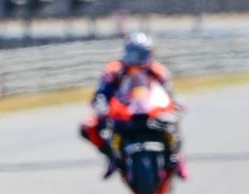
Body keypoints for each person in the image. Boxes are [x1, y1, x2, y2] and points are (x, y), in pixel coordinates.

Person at [79, 32, 188, 180]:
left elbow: (169, 94)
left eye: (141, 53)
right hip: (122, 111)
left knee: (173, 118)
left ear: (150, 53)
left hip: (151, 110)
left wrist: (176, 104)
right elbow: (102, 91)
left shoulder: (157, 70)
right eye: (133, 53)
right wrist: (101, 103)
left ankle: (176, 156)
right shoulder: (114, 69)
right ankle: (111, 156)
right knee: (89, 126)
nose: (136, 58)